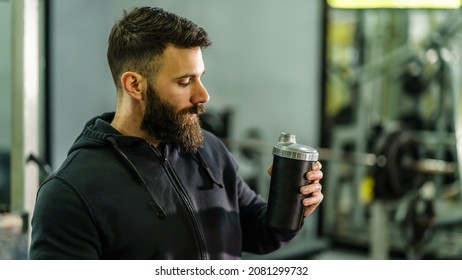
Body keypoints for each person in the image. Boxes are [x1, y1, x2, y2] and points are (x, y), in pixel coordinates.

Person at [29, 6, 323, 260]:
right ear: (134, 85)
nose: (203, 95)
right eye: (185, 82)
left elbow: (260, 232)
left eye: (200, 78)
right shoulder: (70, 194)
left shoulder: (210, 151)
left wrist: (294, 204)